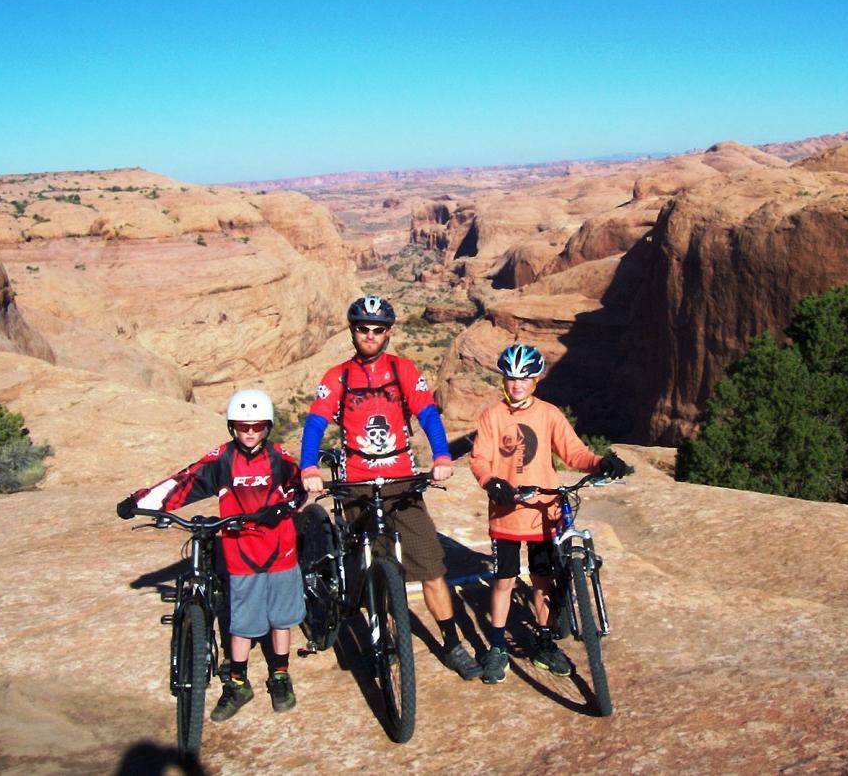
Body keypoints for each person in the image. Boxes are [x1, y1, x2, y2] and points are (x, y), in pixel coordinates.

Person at [298, 294, 483, 680]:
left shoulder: (402, 370)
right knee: (368, 568)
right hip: (357, 485)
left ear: (388, 333)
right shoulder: (338, 376)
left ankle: (452, 644)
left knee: (431, 568)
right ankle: (383, 639)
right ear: (353, 331)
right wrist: (308, 466)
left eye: (377, 330)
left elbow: (427, 413)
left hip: (401, 482)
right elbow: (316, 422)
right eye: (362, 329)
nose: (369, 335)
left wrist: (442, 456)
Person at [116, 388, 310, 720]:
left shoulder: (280, 457)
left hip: (280, 548)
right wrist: (140, 501)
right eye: (243, 426)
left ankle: (280, 675)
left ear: (268, 426)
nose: (250, 433)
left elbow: (301, 487)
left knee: (281, 618)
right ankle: (238, 683)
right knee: (242, 623)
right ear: (232, 427)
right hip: (241, 550)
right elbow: (183, 482)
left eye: (257, 426)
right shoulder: (222, 459)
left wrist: (281, 509)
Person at [469, 343, 628, 684]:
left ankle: (543, 643)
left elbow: (574, 453)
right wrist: (490, 480)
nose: (517, 385)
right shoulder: (492, 416)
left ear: (535, 380)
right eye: (511, 378)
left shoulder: (548, 414)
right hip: (507, 513)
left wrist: (600, 462)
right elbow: (479, 458)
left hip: (544, 512)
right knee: (504, 581)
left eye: (524, 379)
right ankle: (497, 648)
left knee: (543, 579)